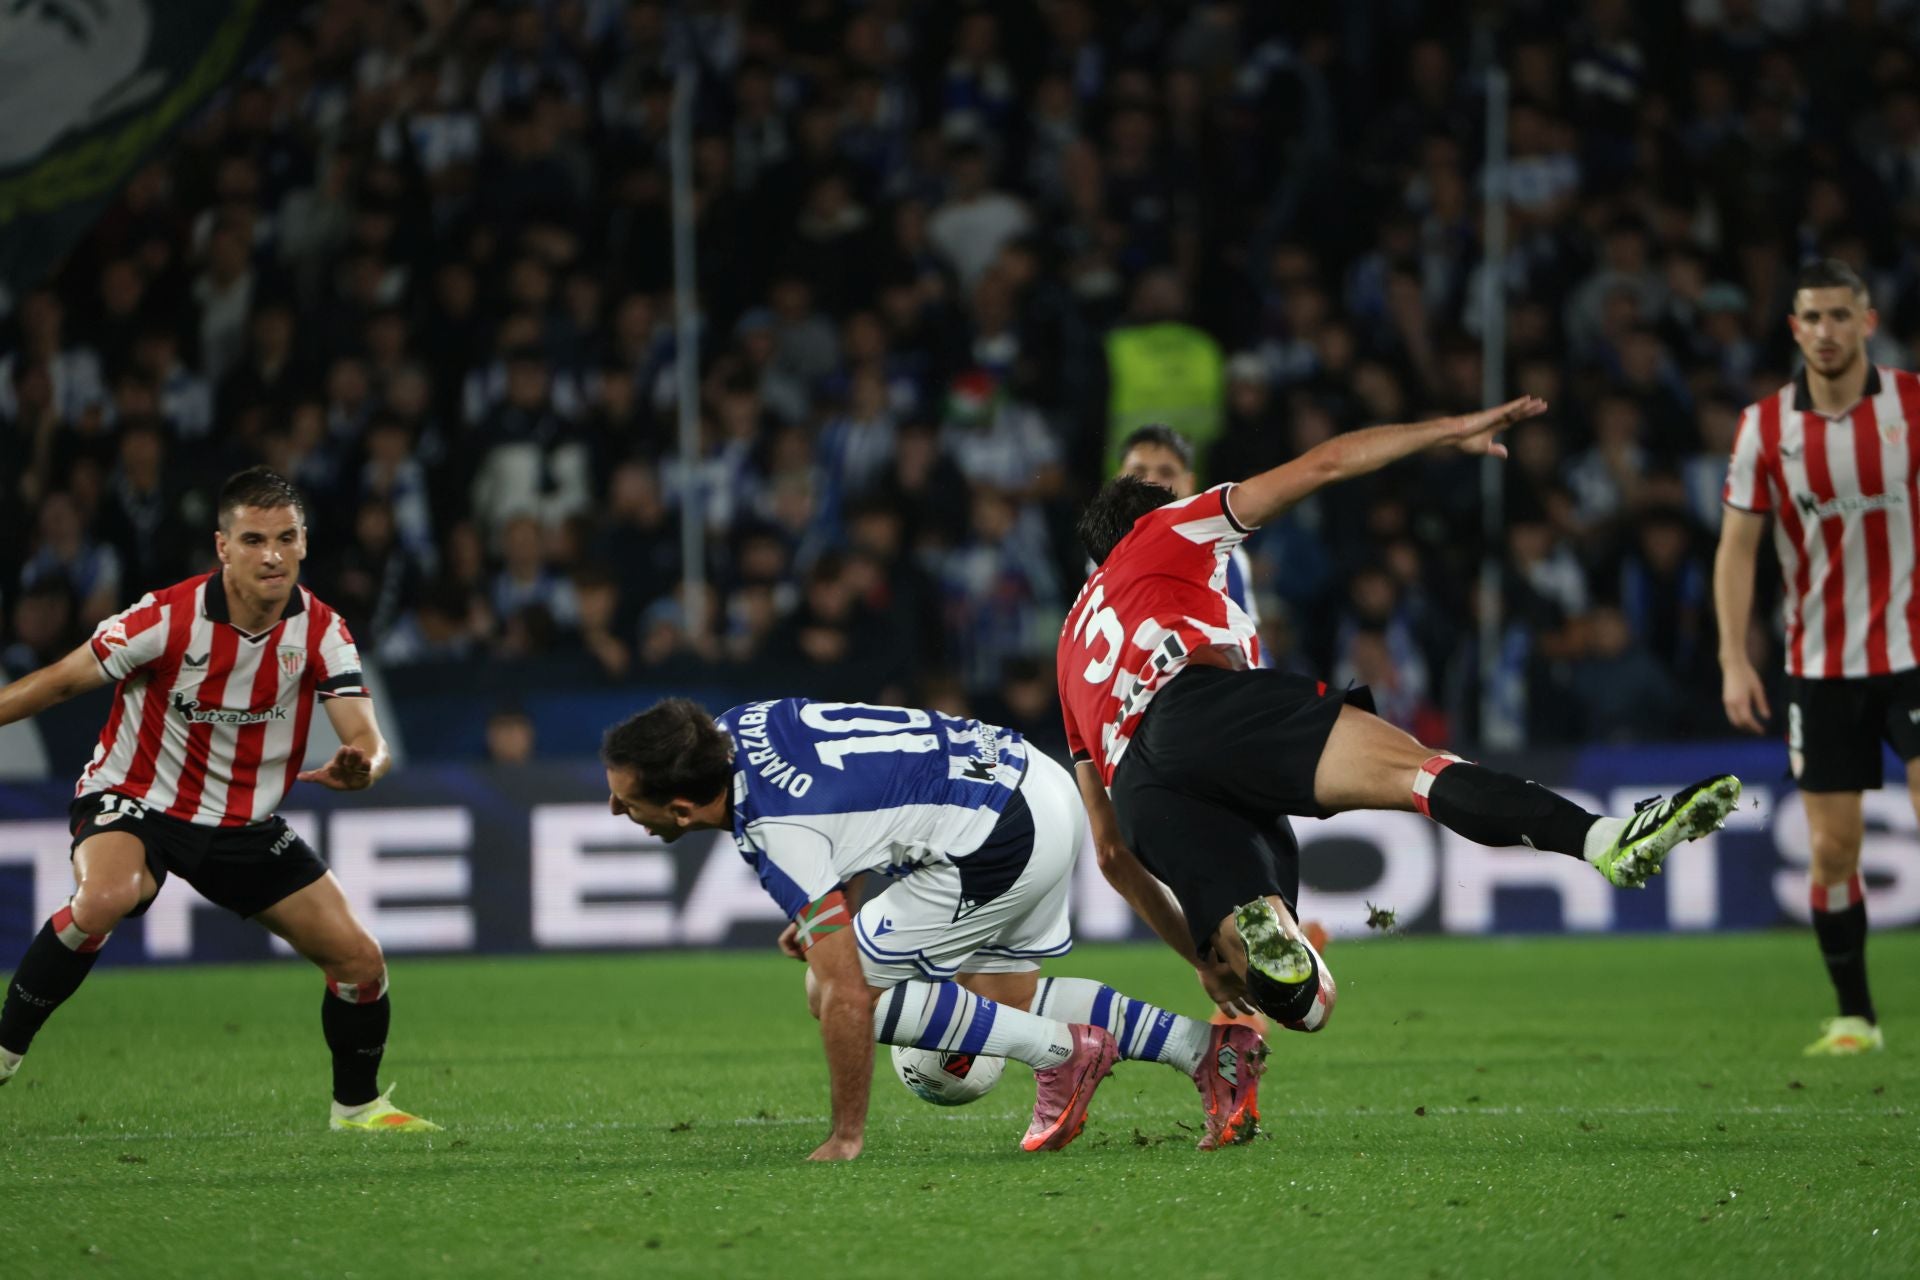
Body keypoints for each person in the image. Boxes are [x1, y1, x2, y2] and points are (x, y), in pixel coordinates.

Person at [1061, 399, 1742, 1031]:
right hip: (1195, 706)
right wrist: (1445, 432)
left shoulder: (1069, 641)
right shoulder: (1168, 529)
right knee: (1420, 773)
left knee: (1298, 991)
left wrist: (1200, 961)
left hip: (1141, 791)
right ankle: (1601, 840)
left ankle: (1248, 936)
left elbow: (1112, 854)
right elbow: (1324, 463)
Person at [600, 696, 1268, 1161]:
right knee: (994, 996)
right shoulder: (741, 725)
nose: (613, 808)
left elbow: (846, 995)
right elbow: (857, 787)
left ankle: (1063, 1051)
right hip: (1035, 781)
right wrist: (832, 904)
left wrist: (845, 1135)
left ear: (682, 808)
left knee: (828, 990)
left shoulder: (778, 831)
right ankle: (1208, 1052)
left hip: (996, 839)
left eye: (627, 802)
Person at [0, 468, 437, 1132]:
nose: (272, 555)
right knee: (106, 897)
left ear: (304, 544)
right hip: (137, 796)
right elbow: (61, 682)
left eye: (286, 539)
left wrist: (365, 766)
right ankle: (5, 1050)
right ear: (223, 547)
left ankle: (357, 1107)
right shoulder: (165, 617)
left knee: (359, 961)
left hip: (241, 823)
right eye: (255, 539)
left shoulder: (322, 631)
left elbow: (365, 735)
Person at [1715, 258, 1920, 1057]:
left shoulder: (1911, 406)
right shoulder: (1765, 428)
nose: (1827, 332)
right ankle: (1855, 1017)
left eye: (1842, 316)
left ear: (1867, 321)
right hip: (1821, 664)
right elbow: (1737, 551)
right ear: (1794, 328)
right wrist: (1735, 658)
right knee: (1834, 849)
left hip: (1913, 651)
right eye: (1812, 318)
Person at [1116, 423, 1265, 666]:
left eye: (1166, 472)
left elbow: (1249, 650)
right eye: (1139, 471)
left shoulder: (1224, 557)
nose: (1151, 481)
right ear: (1119, 479)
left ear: (1189, 483)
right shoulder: (1100, 554)